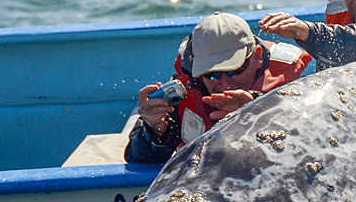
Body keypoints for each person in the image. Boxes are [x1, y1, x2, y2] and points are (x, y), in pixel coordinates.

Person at [125, 12, 312, 163]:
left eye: (234, 71)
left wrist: (258, 110)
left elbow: (312, 143)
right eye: (211, 75)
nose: (224, 84)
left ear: (257, 56)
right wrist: (155, 130)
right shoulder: (184, 91)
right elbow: (138, 158)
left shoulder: (294, 84)